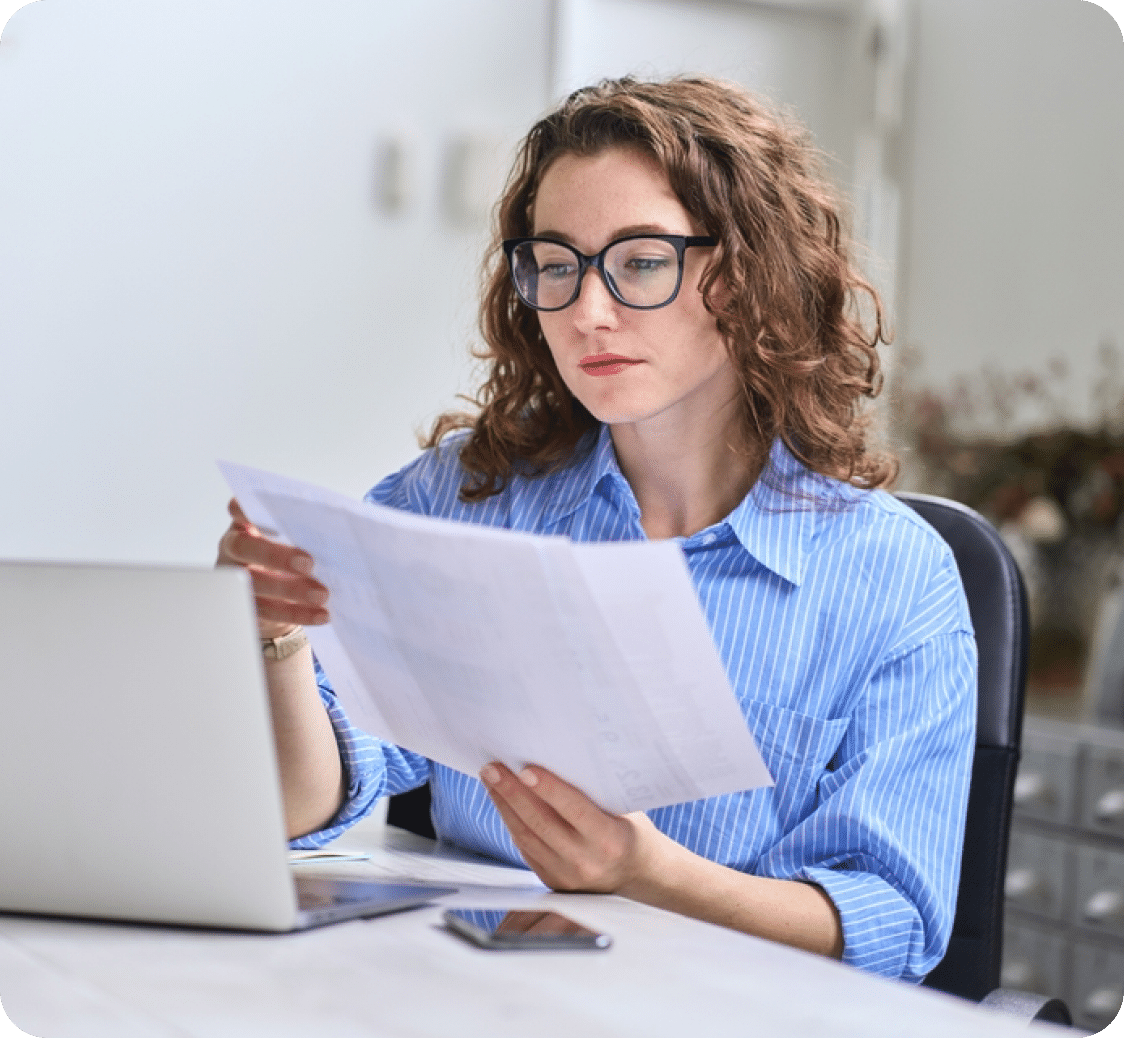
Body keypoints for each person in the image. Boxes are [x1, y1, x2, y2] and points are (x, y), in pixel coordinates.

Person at [217, 76, 976, 982]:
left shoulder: (896, 575)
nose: (587, 311)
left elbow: (895, 921)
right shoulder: (462, 498)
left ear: (743, 276)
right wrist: (277, 638)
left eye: (641, 261)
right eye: (557, 263)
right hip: (467, 996)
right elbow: (309, 806)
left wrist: (649, 876)